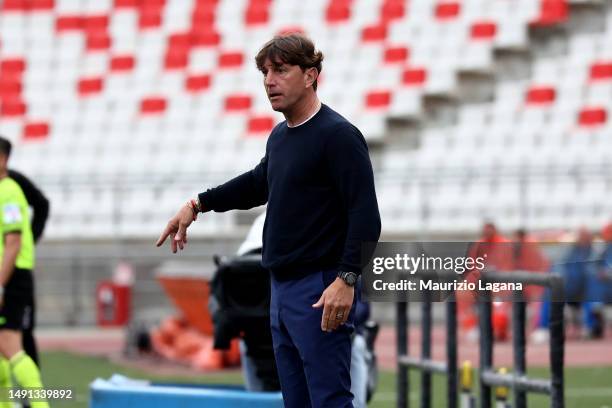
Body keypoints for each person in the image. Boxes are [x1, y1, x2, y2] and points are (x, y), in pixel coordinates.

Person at [158, 33, 381, 407]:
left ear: (311, 75)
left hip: (319, 287)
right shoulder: (280, 137)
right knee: (296, 402)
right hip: (279, 287)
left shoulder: (339, 136)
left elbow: (366, 217)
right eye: (264, 72)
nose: (269, 80)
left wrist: (346, 278)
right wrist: (197, 204)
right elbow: (257, 183)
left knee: (329, 401)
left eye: (280, 70)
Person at [0, 137, 49, 408]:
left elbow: (14, 242)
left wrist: (0, 285)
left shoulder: (9, 191)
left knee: (11, 344)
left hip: (12, 278)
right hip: (8, 276)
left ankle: (39, 404)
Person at [7, 168, 49, 368]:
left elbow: (42, 204)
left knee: (20, 336)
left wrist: (30, 239)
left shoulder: (11, 186)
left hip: (14, 272)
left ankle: (32, 398)